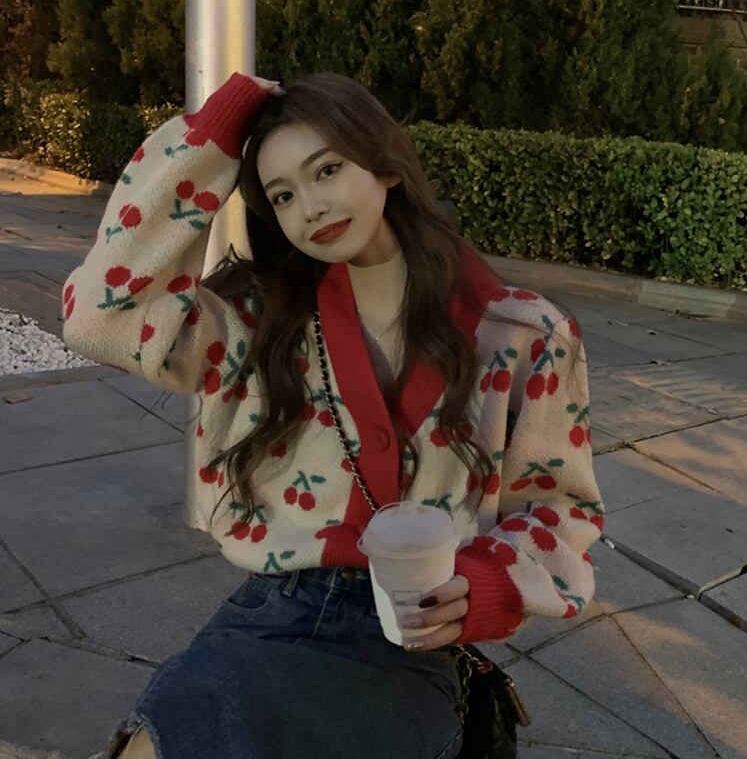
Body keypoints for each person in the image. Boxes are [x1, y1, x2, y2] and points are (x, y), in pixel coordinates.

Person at [63, 71, 605, 759]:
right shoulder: (255, 322)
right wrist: (213, 135)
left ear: (386, 166)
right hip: (269, 617)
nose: (311, 207)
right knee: (166, 738)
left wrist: (489, 583)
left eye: (327, 170)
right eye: (283, 195)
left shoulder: (523, 334)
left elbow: (561, 509)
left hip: (411, 637)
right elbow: (99, 317)